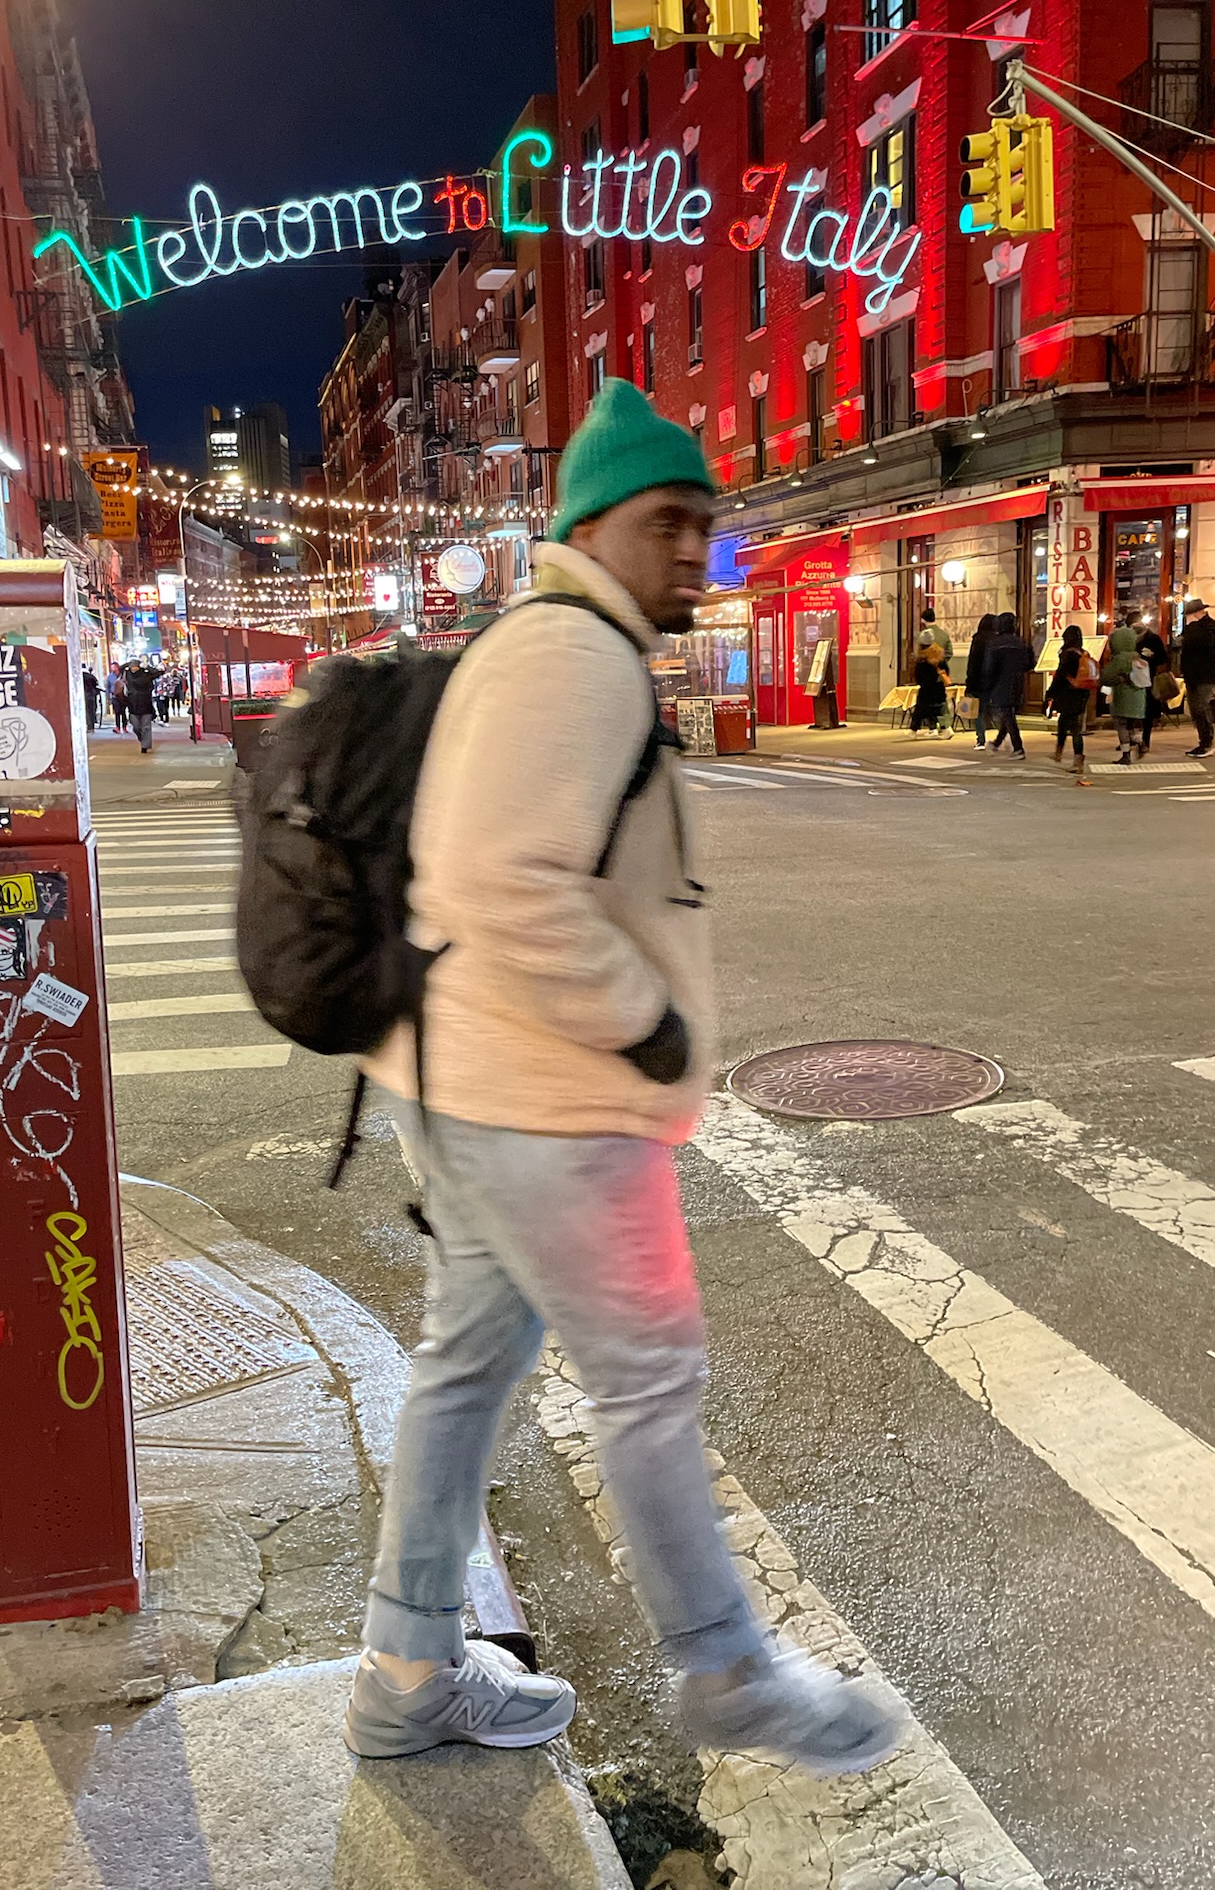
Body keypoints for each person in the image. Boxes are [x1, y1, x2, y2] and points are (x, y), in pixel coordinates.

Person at [345, 379, 904, 1772]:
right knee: (649, 1378)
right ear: (597, 523)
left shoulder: (548, 642)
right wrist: (646, 1026)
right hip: (544, 1099)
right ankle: (725, 1671)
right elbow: (501, 880)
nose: (692, 553)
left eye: (705, 525)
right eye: (670, 523)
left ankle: (406, 1670)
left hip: (467, 1079)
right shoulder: (575, 656)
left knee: (464, 1373)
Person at [1047, 624, 1093, 785]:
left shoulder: (1067, 654)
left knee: (1073, 728)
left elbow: (1060, 675)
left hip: (1068, 693)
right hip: (1081, 693)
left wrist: (1050, 693)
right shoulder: (1083, 653)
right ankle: (1059, 752)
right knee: (1065, 723)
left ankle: (1077, 761)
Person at [1179, 596, 1215, 758]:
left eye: (1190, 614)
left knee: (1200, 707)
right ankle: (1203, 740)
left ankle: (1206, 741)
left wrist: (1191, 629)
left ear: (1199, 612)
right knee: (1195, 709)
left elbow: (1203, 645)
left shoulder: (1210, 627)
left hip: (1205, 675)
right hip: (1193, 675)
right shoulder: (1195, 629)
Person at [985, 611, 1035, 759]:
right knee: (1008, 714)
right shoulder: (1020, 642)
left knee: (1007, 715)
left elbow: (989, 668)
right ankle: (996, 743)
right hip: (1018, 683)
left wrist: (987, 685)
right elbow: (1029, 664)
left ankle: (1018, 748)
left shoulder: (995, 644)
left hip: (1000, 683)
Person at [1100, 619, 1149, 763]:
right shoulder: (1137, 657)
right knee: (1133, 724)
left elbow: (1106, 677)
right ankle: (1139, 741)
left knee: (1121, 724)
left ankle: (1126, 754)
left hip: (1123, 697)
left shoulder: (1119, 659)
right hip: (1139, 697)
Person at [1128, 613, 1170, 752]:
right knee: (1129, 710)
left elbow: (1163, 659)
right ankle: (1130, 738)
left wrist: (1151, 656)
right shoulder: (1127, 639)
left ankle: (1146, 740)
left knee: (1147, 712)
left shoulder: (1153, 638)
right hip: (1131, 679)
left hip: (1148, 680)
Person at [916, 605, 954, 738]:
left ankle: (933, 727)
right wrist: (941, 662)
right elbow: (950, 652)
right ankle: (945, 726)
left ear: (923, 620)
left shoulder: (924, 635)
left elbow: (919, 654)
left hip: (927, 674)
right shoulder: (944, 634)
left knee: (926, 700)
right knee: (941, 700)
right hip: (940, 673)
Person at [963, 612, 998, 747]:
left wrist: (969, 680)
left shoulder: (977, 640)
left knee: (979, 711)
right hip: (993, 680)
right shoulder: (996, 640)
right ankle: (1003, 736)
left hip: (978, 680)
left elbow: (972, 662)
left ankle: (980, 739)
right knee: (998, 709)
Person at [909, 640, 950, 736]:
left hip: (926, 692)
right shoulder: (941, 661)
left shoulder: (922, 662)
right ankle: (945, 728)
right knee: (941, 711)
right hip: (939, 690)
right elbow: (947, 672)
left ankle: (913, 730)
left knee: (919, 711)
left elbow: (919, 678)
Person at [123, 658, 158, 753]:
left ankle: (145, 746)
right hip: (133, 705)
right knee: (135, 726)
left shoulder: (146, 674)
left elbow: (158, 673)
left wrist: (148, 667)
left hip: (145, 704)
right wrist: (128, 663)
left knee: (146, 726)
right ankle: (143, 739)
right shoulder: (127, 674)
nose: (133, 669)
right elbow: (119, 668)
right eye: (132, 667)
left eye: (135, 666)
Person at [108, 666, 129, 735]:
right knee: (117, 712)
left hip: (123, 696)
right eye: (112, 667)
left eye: (114, 667)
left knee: (123, 712)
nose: (113, 668)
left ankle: (124, 726)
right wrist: (109, 697)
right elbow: (108, 686)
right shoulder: (110, 676)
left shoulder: (124, 675)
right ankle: (118, 727)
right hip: (115, 696)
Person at [82, 665, 101, 733]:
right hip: (92, 696)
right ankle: (91, 727)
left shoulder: (81, 676)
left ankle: (88, 726)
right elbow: (96, 685)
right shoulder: (91, 676)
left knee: (86, 712)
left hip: (85, 695)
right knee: (92, 711)